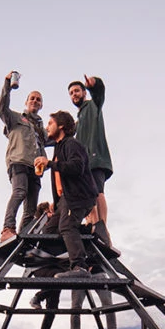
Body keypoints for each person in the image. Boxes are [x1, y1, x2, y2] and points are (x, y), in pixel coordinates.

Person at [33, 111, 99, 279]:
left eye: (50, 123)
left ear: (61, 125)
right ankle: (56, 268)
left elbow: (77, 167)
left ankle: (80, 266)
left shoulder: (71, 144)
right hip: (65, 200)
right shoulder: (59, 148)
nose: (47, 127)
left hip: (78, 196)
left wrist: (50, 163)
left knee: (67, 226)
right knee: (50, 230)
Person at [0, 71, 47, 243]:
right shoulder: (16, 118)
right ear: (26, 102)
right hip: (18, 162)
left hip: (36, 168)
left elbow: (60, 133)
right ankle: (7, 229)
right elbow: (1, 108)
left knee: (31, 209)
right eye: (32, 98)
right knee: (19, 192)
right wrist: (7, 85)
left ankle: (25, 237)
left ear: (41, 105)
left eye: (38, 99)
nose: (35, 101)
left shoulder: (40, 129)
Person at [68, 75, 113, 243]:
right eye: (71, 93)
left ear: (84, 93)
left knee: (98, 191)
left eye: (77, 91)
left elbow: (99, 93)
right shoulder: (78, 121)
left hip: (96, 158)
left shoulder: (93, 105)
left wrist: (95, 84)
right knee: (87, 195)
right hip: (84, 164)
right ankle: (92, 223)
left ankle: (102, 227)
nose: (74, 95)